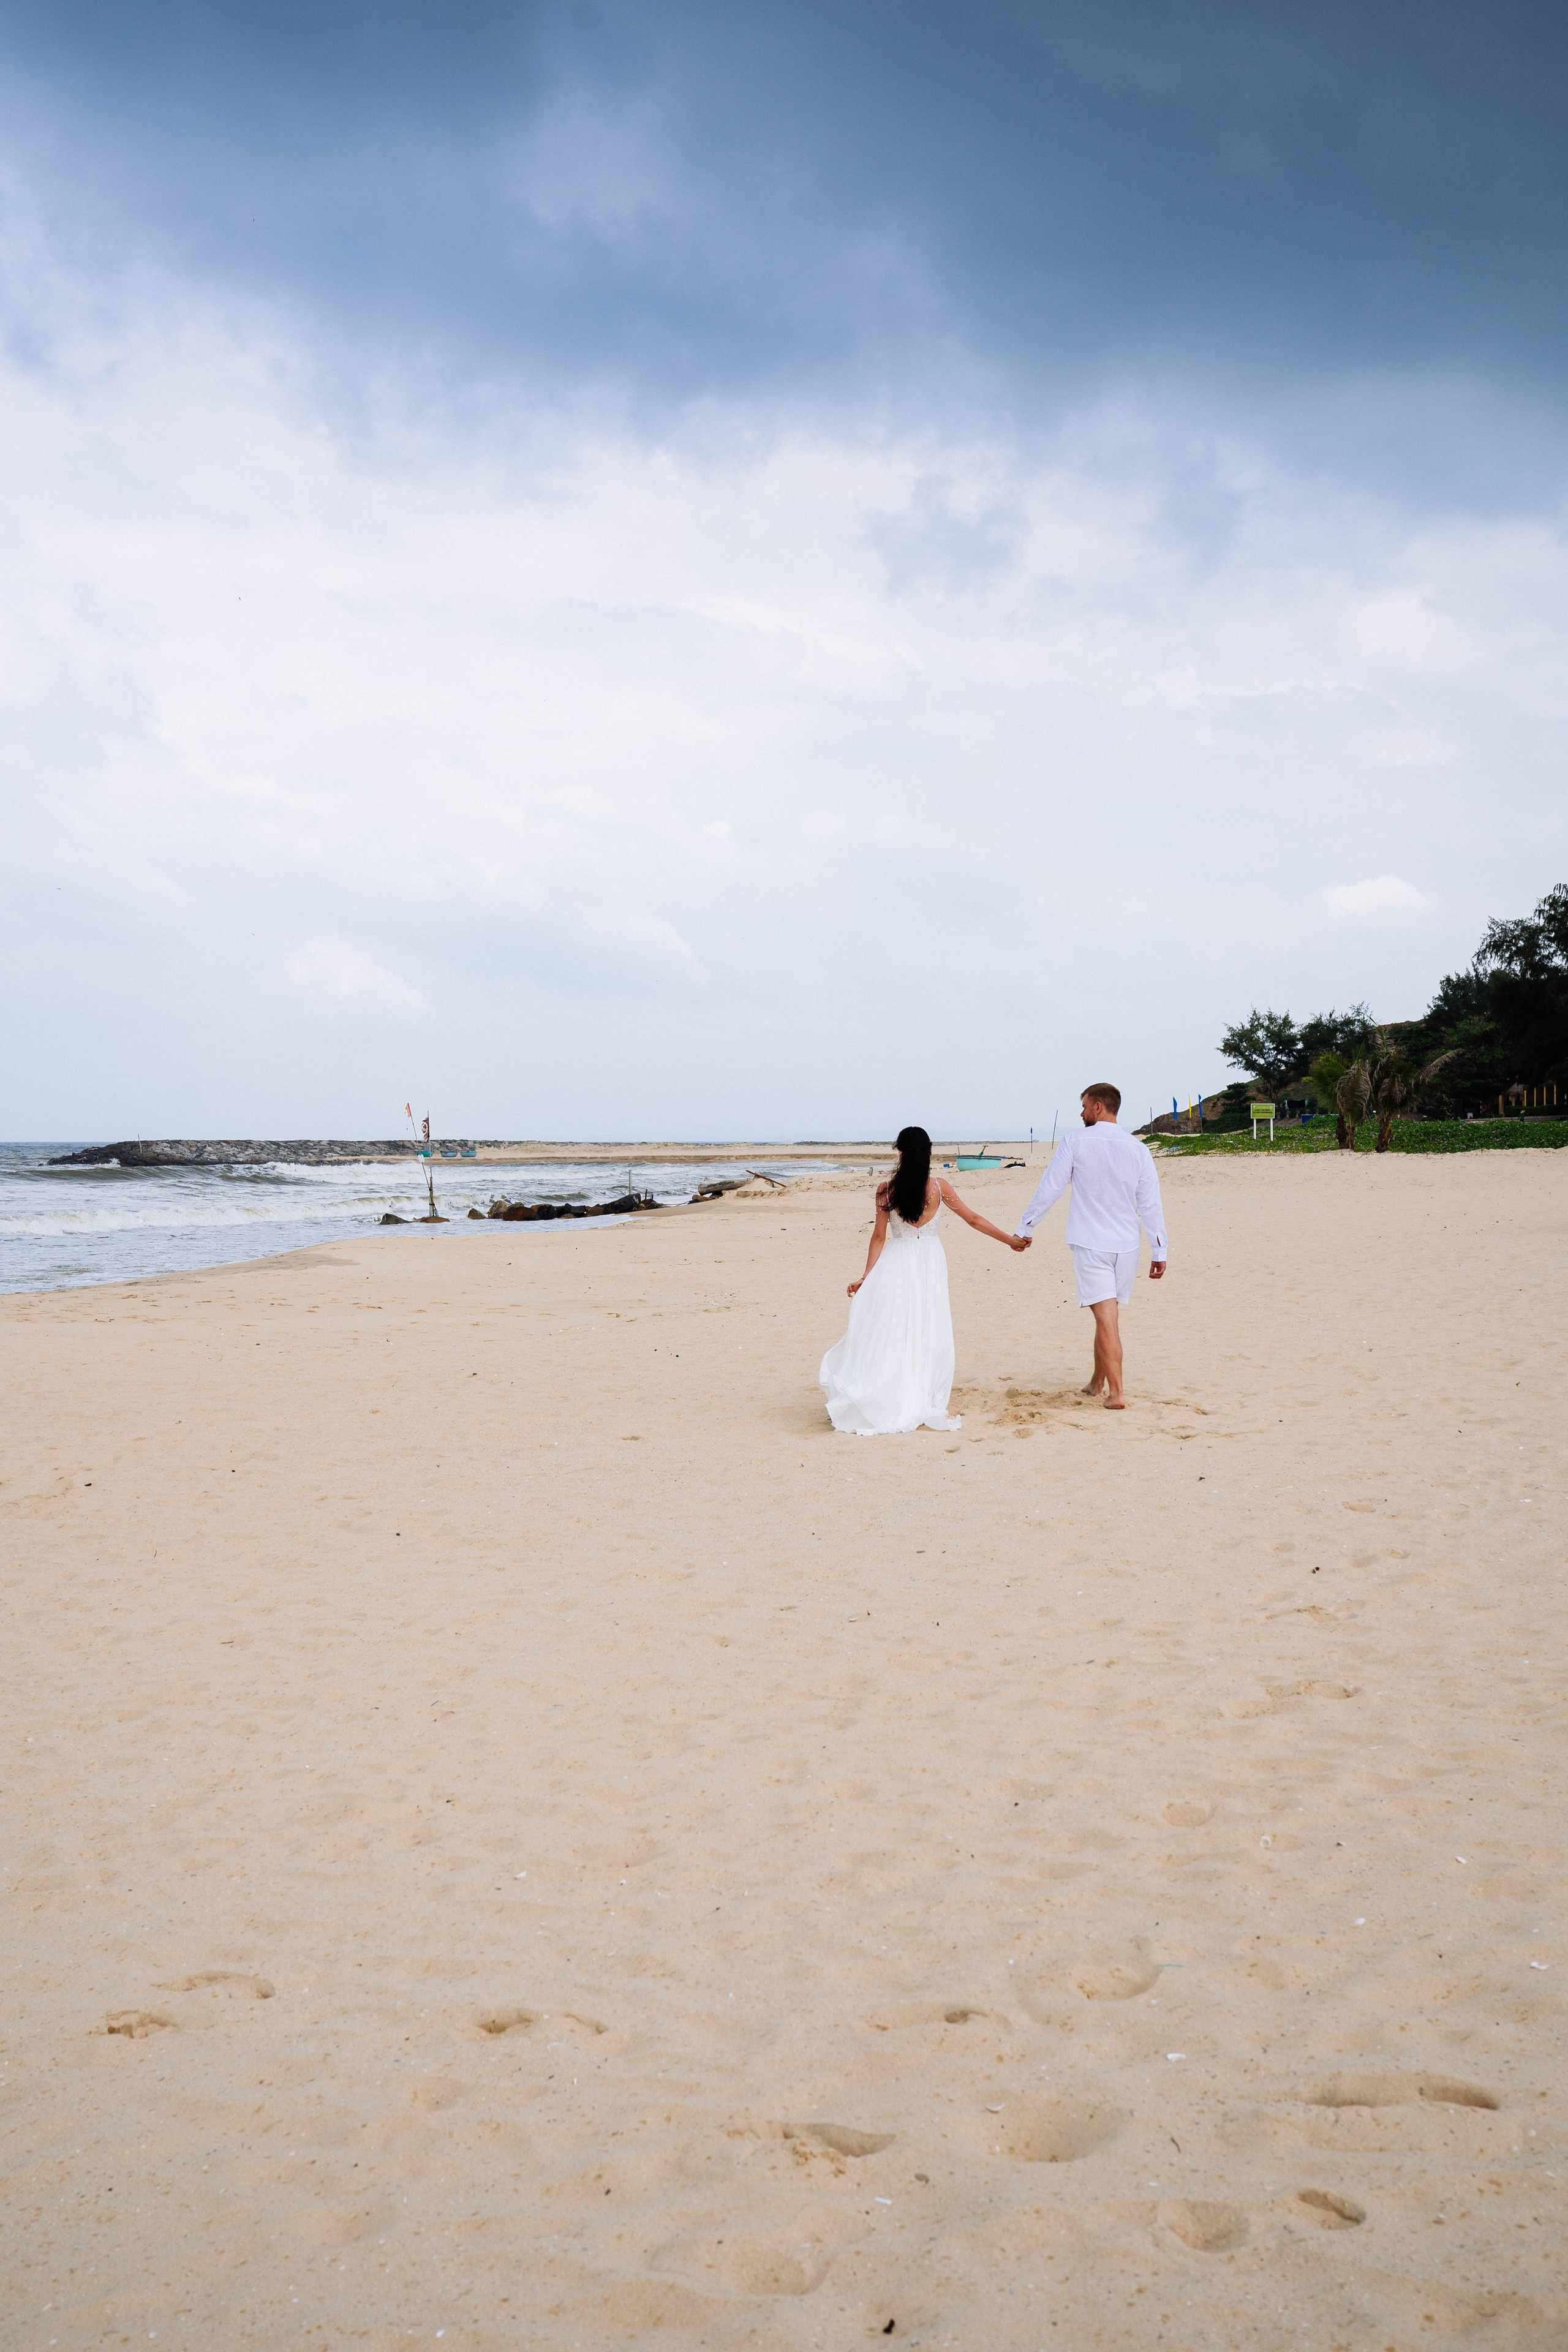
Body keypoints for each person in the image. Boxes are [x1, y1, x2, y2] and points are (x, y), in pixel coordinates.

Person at [820, 1125, 1031, 1434]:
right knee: (926, 1325)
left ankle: (895, 1389)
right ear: (928, 1152)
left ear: (901, 1153)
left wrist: (867, 1276)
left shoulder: (886, 1190)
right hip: (930, 1262)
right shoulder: (939, 1187)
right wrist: (1009, 1241)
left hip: (897, 1261)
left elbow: (879, 1237)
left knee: (896, 1326)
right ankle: (920, 1391)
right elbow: (973, 1219)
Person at [1014, 1083, 1166, 1410]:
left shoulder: (1075, 1141)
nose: (1081, 1113)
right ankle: (1097, 1383)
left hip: (1091, 1243)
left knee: (1107, 1320)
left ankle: (1117, 1393)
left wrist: (1026, 1227)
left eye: (1084, 1106)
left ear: (1098, 1107)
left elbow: (1050, 1188)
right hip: (1127, 1246)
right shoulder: (1138, 1148)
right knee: (1107, 1317)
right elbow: (1150, 1204)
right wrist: (1159, 1250)